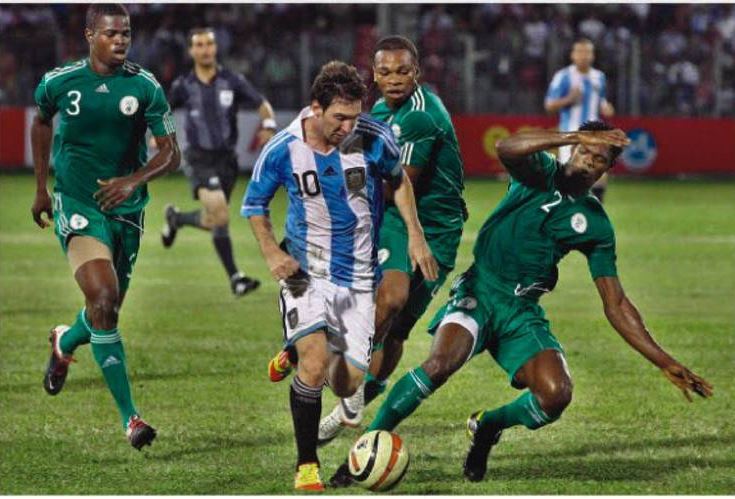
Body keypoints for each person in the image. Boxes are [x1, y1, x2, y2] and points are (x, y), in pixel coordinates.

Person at [329, 121, 713, 486]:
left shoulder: (595, 224)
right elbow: (506, 147)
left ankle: (487, 427)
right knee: (440, 364)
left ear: (606, 170)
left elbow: (616, 304)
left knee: (556, 395)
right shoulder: (538, 172)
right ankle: (363, 451)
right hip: (480, 290)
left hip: (521, 311)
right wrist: (572, 136)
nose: (588, 161)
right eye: (584, 151)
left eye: (598, 159)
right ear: (573, 149)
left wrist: (663, 360)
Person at [241, 60, 438, 491]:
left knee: (347, 383)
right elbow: (254, 204)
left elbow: (399, 182)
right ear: (316, 108)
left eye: (354, 116)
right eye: (339, 117)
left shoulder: (373, 137)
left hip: (359, 276)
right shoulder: (283, 148)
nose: (349, 126)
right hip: (303, 269)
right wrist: (272, 251)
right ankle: (306, 464)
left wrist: (415, 234)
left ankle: (293, 352)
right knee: (315, 364)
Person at [268, 36, 468, 446]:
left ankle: (347, 402)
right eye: (385, 72)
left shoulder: (421, 115)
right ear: (373, 75)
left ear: (417, 72)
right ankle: (333, 366)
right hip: (393, 218)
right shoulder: (374, 113)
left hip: (436, 229)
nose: (394, 79)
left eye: (403, 71)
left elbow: (397, 182)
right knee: (389, 299)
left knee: (397, 332)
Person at [31, 3, 180, 450]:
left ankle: (65, 340)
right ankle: (130, 419)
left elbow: (171, 153)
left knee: (105, 313)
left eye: (126, 34)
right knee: (102, 298)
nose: (120, 41)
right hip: (78, 202)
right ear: (90, 35)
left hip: (127, 211)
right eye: (111, 33)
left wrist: (133, 180)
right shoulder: (59, 82)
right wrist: (41, 188)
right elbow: (41, 122)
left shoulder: (144, 86)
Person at [161, 27, 277, 296]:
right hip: (199, 158)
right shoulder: (183, 85)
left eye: (209, 44)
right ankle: (236, 278)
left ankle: (177, 218)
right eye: (199, 45)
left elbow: (262, 105)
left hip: (227, 161)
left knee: (216, 218)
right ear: (191, 51)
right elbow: (163, 111)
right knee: (221, 215)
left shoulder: (232, 80)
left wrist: (269, 125)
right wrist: (161, 135)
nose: (205, 49)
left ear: (215, 48)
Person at [545, 38, 615, 202]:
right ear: (573, 55)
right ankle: (563, 209)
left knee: (600, 171)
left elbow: (602, 101)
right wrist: (569, 99)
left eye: (588, 52)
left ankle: (593, 211)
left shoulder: (599, 77)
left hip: (594, 133)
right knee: (571, 176)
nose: (584, 56)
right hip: (571, 134)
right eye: (580, 52)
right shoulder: (563, 77)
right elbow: (549, 106)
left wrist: (607, 108)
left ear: (593, 56)